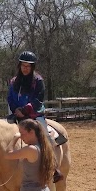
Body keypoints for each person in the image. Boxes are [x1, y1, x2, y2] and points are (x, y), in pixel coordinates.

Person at [7, 51, 65, 182]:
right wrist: (16, 109)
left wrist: (24, 110)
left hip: (34, 114)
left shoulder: (38, 81)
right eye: (23, 65)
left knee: (46, 135)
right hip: (17, 114)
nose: (25, 68)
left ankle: (54, 168)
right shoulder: (14, 82)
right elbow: (10, 97)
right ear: (19, 66)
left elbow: (38, 99)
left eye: (28, 66)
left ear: (32, 67)